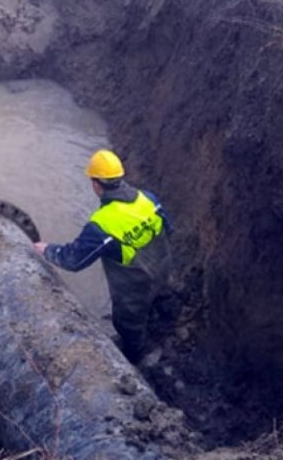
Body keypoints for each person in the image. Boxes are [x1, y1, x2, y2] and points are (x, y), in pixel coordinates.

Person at [33, 149, 177, 363]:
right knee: (164, 300)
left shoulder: (101, 225)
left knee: (129, 324)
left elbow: (73, 260)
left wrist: (45, 249)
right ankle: (168, 330)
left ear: (96, 184)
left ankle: (137, 359)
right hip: (163, 269)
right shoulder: (148, 198)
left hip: (135, 286)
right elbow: (169, 228)